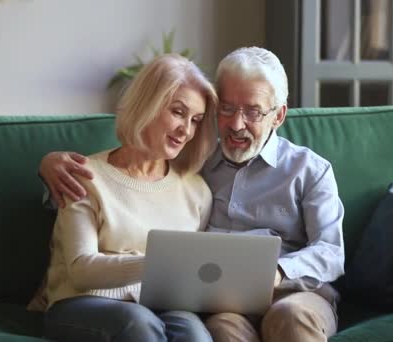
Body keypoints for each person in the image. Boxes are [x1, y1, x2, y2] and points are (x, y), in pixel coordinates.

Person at [39, 47, 345, 342]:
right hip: (225, 302)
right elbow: (114, 187)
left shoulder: (308, 170)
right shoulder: (198, 164)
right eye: (226, 109)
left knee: (288, 315)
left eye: (252, 112)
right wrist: (48, 166)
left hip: (296, 294)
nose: (237, 125)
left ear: (278, 116)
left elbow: (331, 251)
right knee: (221, 329)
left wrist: (279, 271)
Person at [28, 53, 218, 342]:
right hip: (80, 303)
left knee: (194, 333)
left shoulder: (197, 191)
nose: (186, 130)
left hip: (159, 306)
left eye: (196, 120)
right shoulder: (84, 175)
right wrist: (159, 261)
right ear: (148, 106)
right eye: (178, 112)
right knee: (138, 324)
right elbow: (81, 270)